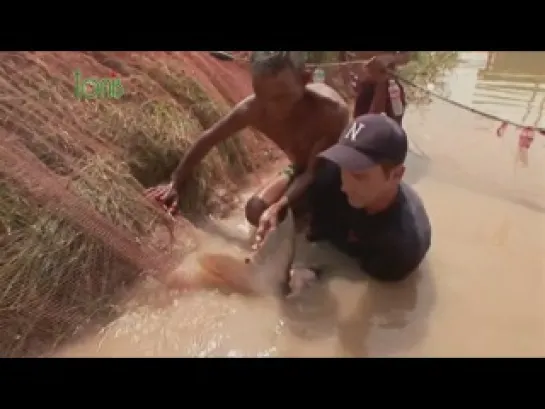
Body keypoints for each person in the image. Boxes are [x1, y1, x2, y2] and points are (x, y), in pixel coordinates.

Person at [147, 51, 388, 239]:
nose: (273, 107)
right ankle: (294, 219)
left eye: (282, 96)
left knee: (324, 214)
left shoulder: (330, 112)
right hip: (300, 168)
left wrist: (280, 206)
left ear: (304, 80)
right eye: (263, 96)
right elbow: (209, 138)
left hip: (330, 173)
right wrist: (175, 181)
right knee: (254, 211)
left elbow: (315, 172)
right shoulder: (252, 110)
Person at [296, 113, 431, 283]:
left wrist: (322, 273)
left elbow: (364, 281)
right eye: (344, 166)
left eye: (359, 175)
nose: (345, 186)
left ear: (396, 175)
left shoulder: (399, 249)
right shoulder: (331, 175)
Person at [351, 52, 412, 124]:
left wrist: (390, 58)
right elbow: (352, 57)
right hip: (366, 88)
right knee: (362, 126)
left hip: (391, 87)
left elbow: (406, 56)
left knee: (394, 125)